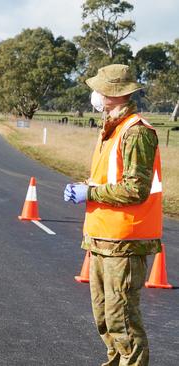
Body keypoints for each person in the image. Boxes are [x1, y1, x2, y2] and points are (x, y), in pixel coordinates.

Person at [64, 64, 162, 366]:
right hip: (102, 238)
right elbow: (112, 178)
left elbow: (136, 189)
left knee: (123, 323)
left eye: (100, 88)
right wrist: (86, 186)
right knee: (105, 319)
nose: (95, 93)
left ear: (114, 94)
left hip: (125, 240)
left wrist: (90, 194)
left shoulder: (136, 132)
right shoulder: (111, 128)